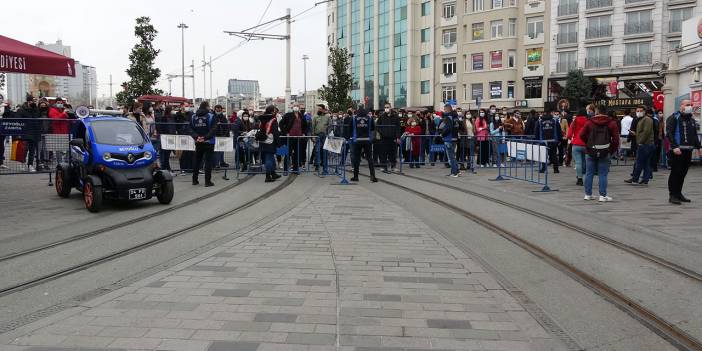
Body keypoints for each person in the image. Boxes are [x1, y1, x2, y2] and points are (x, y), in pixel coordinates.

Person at [580, 104, 620, 202]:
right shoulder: (611, 123)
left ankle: (587, 194)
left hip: (590, 151)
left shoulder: (589, 122)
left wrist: (589, 144)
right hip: (605, 150)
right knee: (603, 174)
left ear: (596, 111)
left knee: (589, 173)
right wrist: (611, 150)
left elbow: (581, 135)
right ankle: (602, 196)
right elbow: (616, 139)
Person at [666, 99, 701, 205]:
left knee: (683, 173)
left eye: (690, 105)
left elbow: (694, 135)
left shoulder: (692, 120)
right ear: (681, 106)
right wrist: (674, 146)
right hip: (677, 150)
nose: (689, 106)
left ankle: (678, 193)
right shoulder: (674, 118)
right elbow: (669, 133)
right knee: (675, 173)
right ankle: (672, 195)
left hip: (688, 150)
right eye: (687, 105)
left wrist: (699, 147)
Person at [344, 108, 377, 182]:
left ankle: (356, 177)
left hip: (357, 141)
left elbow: (350, 128)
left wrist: (350, 137)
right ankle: (373, 176)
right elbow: (372, 128)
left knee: (357, 159)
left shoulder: (354, 118)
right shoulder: (370, 118)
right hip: (367, 140)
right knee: (369, 158)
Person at [190, 101, 218, 187]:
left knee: (197, 161)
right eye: (209, 106)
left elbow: (190, 129)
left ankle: (194, 180)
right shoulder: (211, 116)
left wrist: (197, 137)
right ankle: (207, 182)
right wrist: (205, 138)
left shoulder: (193, 116)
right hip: (209, 142)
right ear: (206, 107)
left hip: (198, 141)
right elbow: (213, 129)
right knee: (208, 162)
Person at [625, 106, 655, 185]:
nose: (638, 112)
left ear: (644, 111)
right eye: (637, 111)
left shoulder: (647, 119)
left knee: (639, 162)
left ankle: (635, 179)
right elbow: (642, 132)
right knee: (646, 163)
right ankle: (645, 179)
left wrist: (640, 142)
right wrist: (635, 134)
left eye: (640, 111)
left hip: (645, 144)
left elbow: (646, 132)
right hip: (646, 143)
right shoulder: (641, 119)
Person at [280, 104, 308, 173]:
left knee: (297, 153)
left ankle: (295, 169)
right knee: (288, 153)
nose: (296, 107)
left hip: (299, 137)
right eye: (295, 106)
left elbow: (305, 125)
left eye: (297, 106)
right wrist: (285, 132)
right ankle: (286, 169)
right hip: (290, 137)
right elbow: (281, 124)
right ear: (292, 108)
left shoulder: (301, 116)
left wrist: (304, 133)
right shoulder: (288, 115)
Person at [258, 105, 282, 182]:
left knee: (270, 158)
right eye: (275, 110)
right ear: (272, 111)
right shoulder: (273, 120)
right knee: (269, 158)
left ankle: (273, 173)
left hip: (263, 140)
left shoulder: (263, 118)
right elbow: (275, 133)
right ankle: (268, 176)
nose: (276, 111)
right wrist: (279, 143)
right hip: (270, 141)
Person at [567, 107, 590, 186]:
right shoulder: (588, 121)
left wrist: (570, 138)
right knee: (584, 162)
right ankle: (581, 174)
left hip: (576, 144)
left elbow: (569, 134)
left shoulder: (575, 121)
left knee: (578, 162)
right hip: (586, 144)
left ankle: (579, 178)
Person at [377, 103, 401, 173]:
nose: (386, 108)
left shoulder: (395, 116)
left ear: (390, 108)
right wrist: (382, 132)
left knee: (393, 153)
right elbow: (378, 126)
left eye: (387, 107)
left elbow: (398, 127)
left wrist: (398, 137)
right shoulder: (381, 116)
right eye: (385, 107)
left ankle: (393, 166)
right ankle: (383, 166)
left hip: (393, 137)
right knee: (383, 153)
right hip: (384, 138)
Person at [537, 109, 561, 174]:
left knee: (543, 155)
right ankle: (556, 169)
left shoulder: (540, 121)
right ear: (551, 113)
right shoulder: (555, 121)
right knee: (553, 154)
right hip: (553, 140)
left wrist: (537, 140)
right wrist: (559, 140)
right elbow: (559, 131)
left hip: (543, 140)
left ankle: (543, 169)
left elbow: (536, 131)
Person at [440, 104, 460, 177]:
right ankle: (456, 171)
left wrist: (442, 134)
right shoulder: (455, 117)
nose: (444, 110)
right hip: (454, 138)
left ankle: (454, 172)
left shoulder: (448, 117)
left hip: (448, 138)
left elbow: (448, 128)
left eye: (444, 109)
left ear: (448, 109)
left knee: (451, 157)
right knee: (453, 156)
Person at [311, 104, 330, 173]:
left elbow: (330, 126)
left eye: (319, 109)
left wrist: (328, 132)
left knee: (324, 151)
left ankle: (325, 167)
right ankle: (317, 165)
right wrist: (313, 136)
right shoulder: (315, 117)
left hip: (325, 136)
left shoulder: (327, 117)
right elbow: (312, 127)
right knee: (317, 150)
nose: (318, 110)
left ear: (323, 109)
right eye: (317, 109)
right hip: (317, 136)